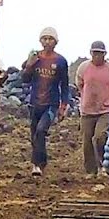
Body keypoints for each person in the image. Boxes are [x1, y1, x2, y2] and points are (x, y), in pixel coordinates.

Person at [20, 26, 70, 176]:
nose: (47, 42)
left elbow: (65, 85)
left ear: (56, 42)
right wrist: (29, 65)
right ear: (40, 40)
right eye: (45, 39)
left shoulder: (60, 61)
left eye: (50, 39)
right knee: (34, 134)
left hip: (51, 104)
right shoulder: (35, 58)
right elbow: (24, 79)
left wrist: (63, 105)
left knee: (41, 131)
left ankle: (37, 165)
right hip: (34, 103)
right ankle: (42, 161)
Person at [75, 41, 109, 176]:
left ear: (104, 54)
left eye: (100, 53)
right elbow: (80, 85)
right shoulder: (83, 68)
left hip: (105, 110)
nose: (97, 56)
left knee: (100, 137)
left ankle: (103, 166)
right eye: (94, 53)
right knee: (87, 142)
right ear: (90, 53)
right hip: (87, 111)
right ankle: (91, 171)